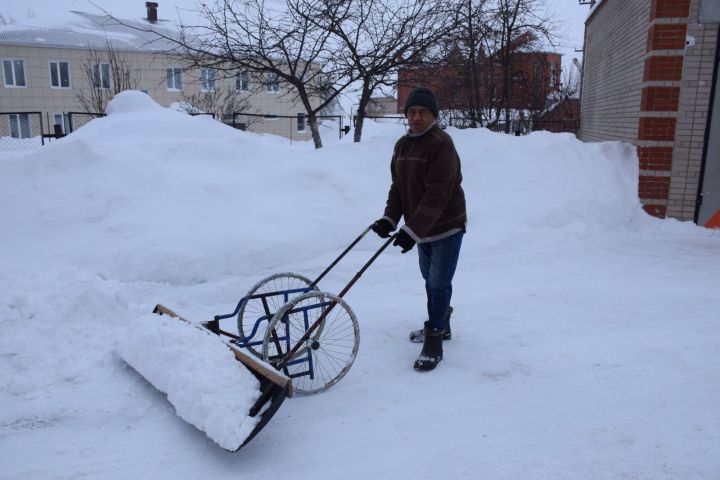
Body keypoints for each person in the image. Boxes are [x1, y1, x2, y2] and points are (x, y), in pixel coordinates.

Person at [371, 86, 467, 372]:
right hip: (422, 229)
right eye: (412, 112)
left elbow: (438, 194)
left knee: (437, 283)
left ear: (433, 115)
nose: (416, 117)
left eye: (422, 112)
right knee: (430, 280)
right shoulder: (403, 145)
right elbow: (399, 187)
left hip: (447, 226)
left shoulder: (441, 144)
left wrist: (411, 230)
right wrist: (390, 219)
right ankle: (443, 320)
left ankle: (434, 338)